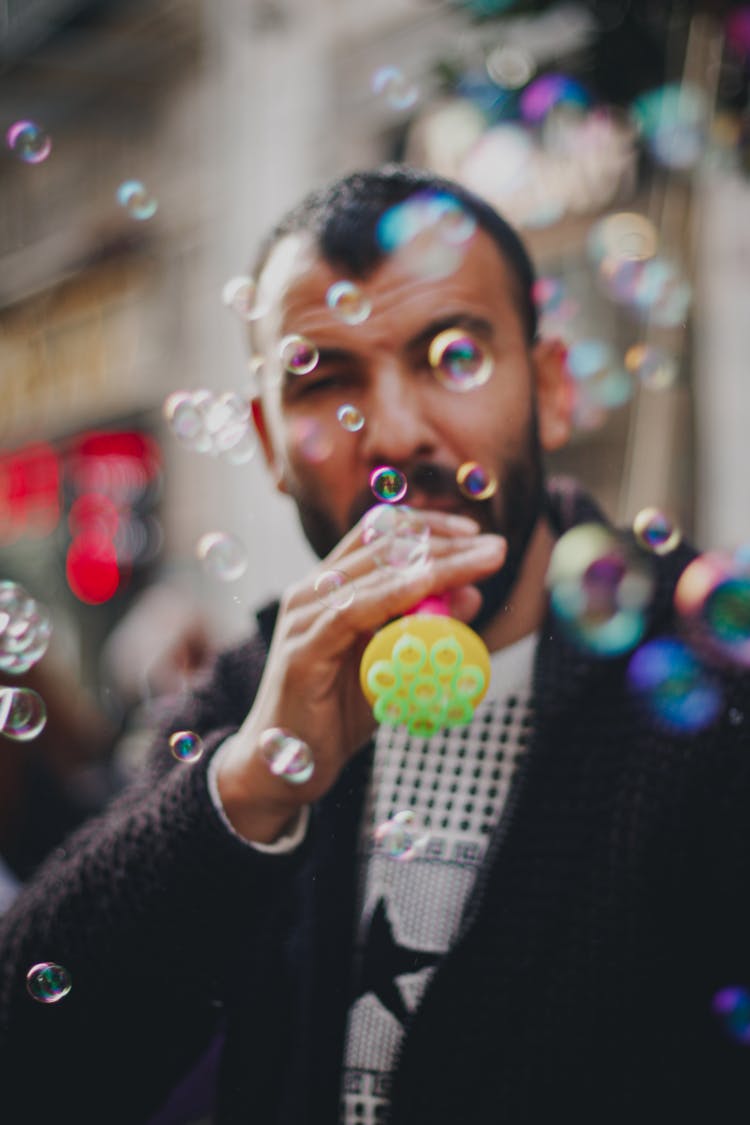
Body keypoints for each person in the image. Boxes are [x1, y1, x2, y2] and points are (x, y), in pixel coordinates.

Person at [0, 165, 748, 1125]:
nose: (394, 432)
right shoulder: (245, 696)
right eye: (326, 381)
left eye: (452, 356)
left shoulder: (714, 693)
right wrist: (247, 787)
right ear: (269, 443)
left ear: (553, 389)